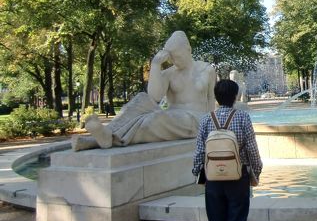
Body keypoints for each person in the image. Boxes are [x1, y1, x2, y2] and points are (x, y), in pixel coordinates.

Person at [72, 31, 216, 151]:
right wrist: (155, 65)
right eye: (170, 57)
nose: (174, 61)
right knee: (141, 98)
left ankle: (96, 141)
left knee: (152, 121)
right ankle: (106, 134)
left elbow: (211, 102)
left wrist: (211, 129)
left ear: (188, 49)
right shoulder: (169, 73)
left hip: (195, 120)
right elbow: (154, 97)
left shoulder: (206, 70)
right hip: (172, 116)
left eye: (177, 56)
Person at [193, 79, 263, 221]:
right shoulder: (242, 118)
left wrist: (198, 173)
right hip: (237, 177)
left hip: (213, 179)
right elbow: (251, 149)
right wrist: (256, 172)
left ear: (216, 97)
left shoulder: (207, 119)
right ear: (235, 97)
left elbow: (199, 151)